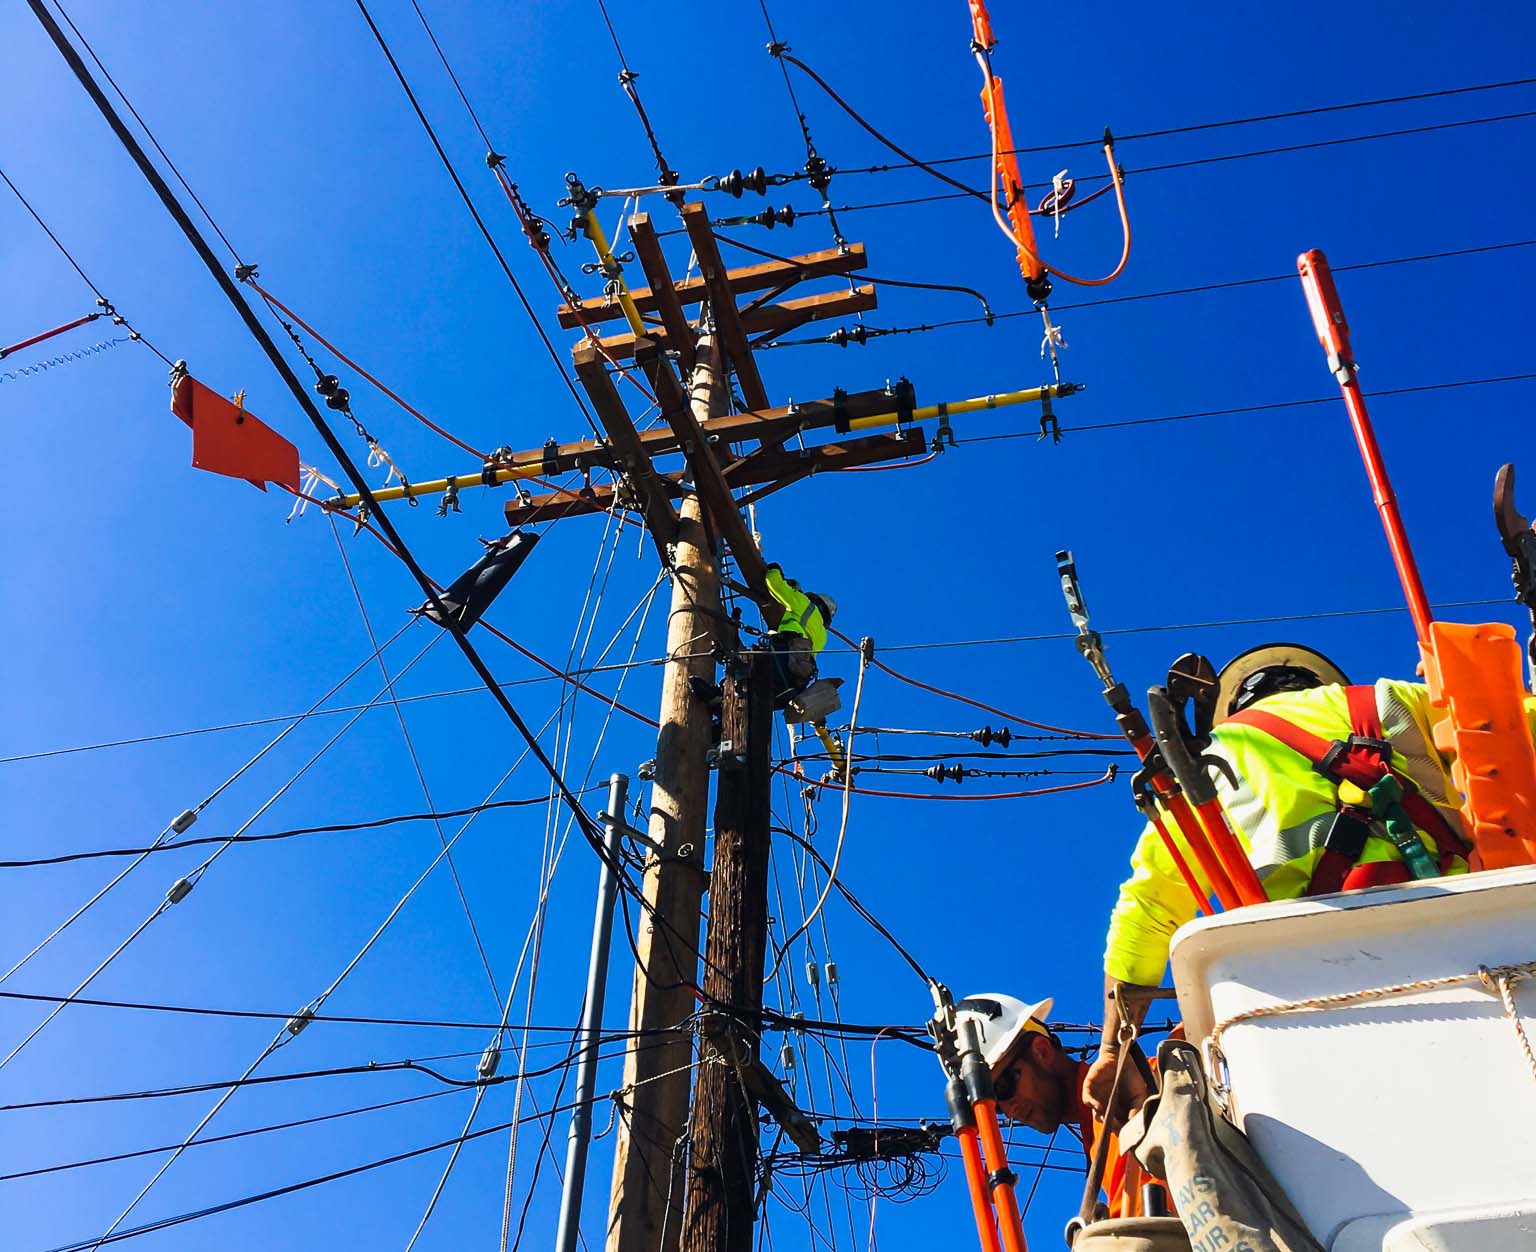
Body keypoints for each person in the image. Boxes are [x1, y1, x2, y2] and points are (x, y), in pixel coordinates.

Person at [1085, 642, 1486, 1123]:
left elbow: (1148, 910)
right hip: (1471, 946)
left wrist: (1114, 1047)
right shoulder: (1390, 700)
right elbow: (1512, 731)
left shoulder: (1212, 762)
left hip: (1305, 991)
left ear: (1232, 705)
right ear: (1321, 684)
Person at [955, 993, 1155, 1217]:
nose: (1010, 1112)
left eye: (1003, 1087)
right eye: (996, 1107)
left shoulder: (1121, 1103)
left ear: (1041, 1051)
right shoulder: (1097, 1127)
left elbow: (1145, 1230)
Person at [763, 563, 837, 712]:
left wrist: (775, 570)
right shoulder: (823, 635)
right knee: (755, 705)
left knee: (741, 676)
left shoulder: (804, 603)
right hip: (794, 682)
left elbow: (774, 584)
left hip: (780, 659)